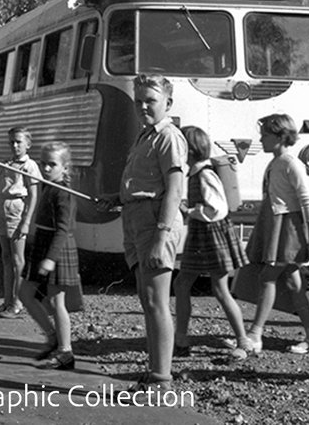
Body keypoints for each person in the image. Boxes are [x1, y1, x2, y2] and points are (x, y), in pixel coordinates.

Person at [99, 74, 187, 391]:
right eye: (138, 101)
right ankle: (153, 374)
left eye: (150, 100)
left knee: (156, 301)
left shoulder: (169, 137)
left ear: (168, 103)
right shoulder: (145, 136)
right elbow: (143, 184)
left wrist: (161, 237)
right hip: (136, 218)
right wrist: (117, 198)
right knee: (146, 301)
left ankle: (162, 381)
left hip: (155, 222)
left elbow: (174, 191)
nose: (143, 106)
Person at [242, 113, 309, 355]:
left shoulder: (290, 163)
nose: (261, 139)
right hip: (275, 221)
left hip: (286, 226)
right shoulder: (276, 162)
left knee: (268, 277)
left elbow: (307, 200)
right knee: (293, 284)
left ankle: (255, 334)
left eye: (265, 134)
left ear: (280, 136)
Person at [173, 125, 251, 358]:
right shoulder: (197, 173)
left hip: (210, 235)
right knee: (183, 285)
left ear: (189, 151)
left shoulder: (205, 174)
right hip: (202, 236)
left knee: (220, 289)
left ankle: (243, 340)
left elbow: (217, 208)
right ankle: (181, 338)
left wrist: (190, 210)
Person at [18, 141, 78, 370]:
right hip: (43, 244)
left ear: (65, 167)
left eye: (52, 164)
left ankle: (65, 352)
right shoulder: (48, 186)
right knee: (24, 292)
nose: (45, 169)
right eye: (43, 164)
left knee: (56, 300)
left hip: (57, 247)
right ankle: (52, 338)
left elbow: (63, 229)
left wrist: (51, 258)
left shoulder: (64, 192)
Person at [0, 126, 39, 318]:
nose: (14, 146)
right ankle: (7, 301)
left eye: (18, 142)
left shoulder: (29, 166)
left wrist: (26, 221)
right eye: (11, 142)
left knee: (17, 260)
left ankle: (17, 302)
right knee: (6, 258)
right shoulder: (7, 164)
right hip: (2, 212)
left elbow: (33, 195)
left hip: (17, 213)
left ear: (28, 144)